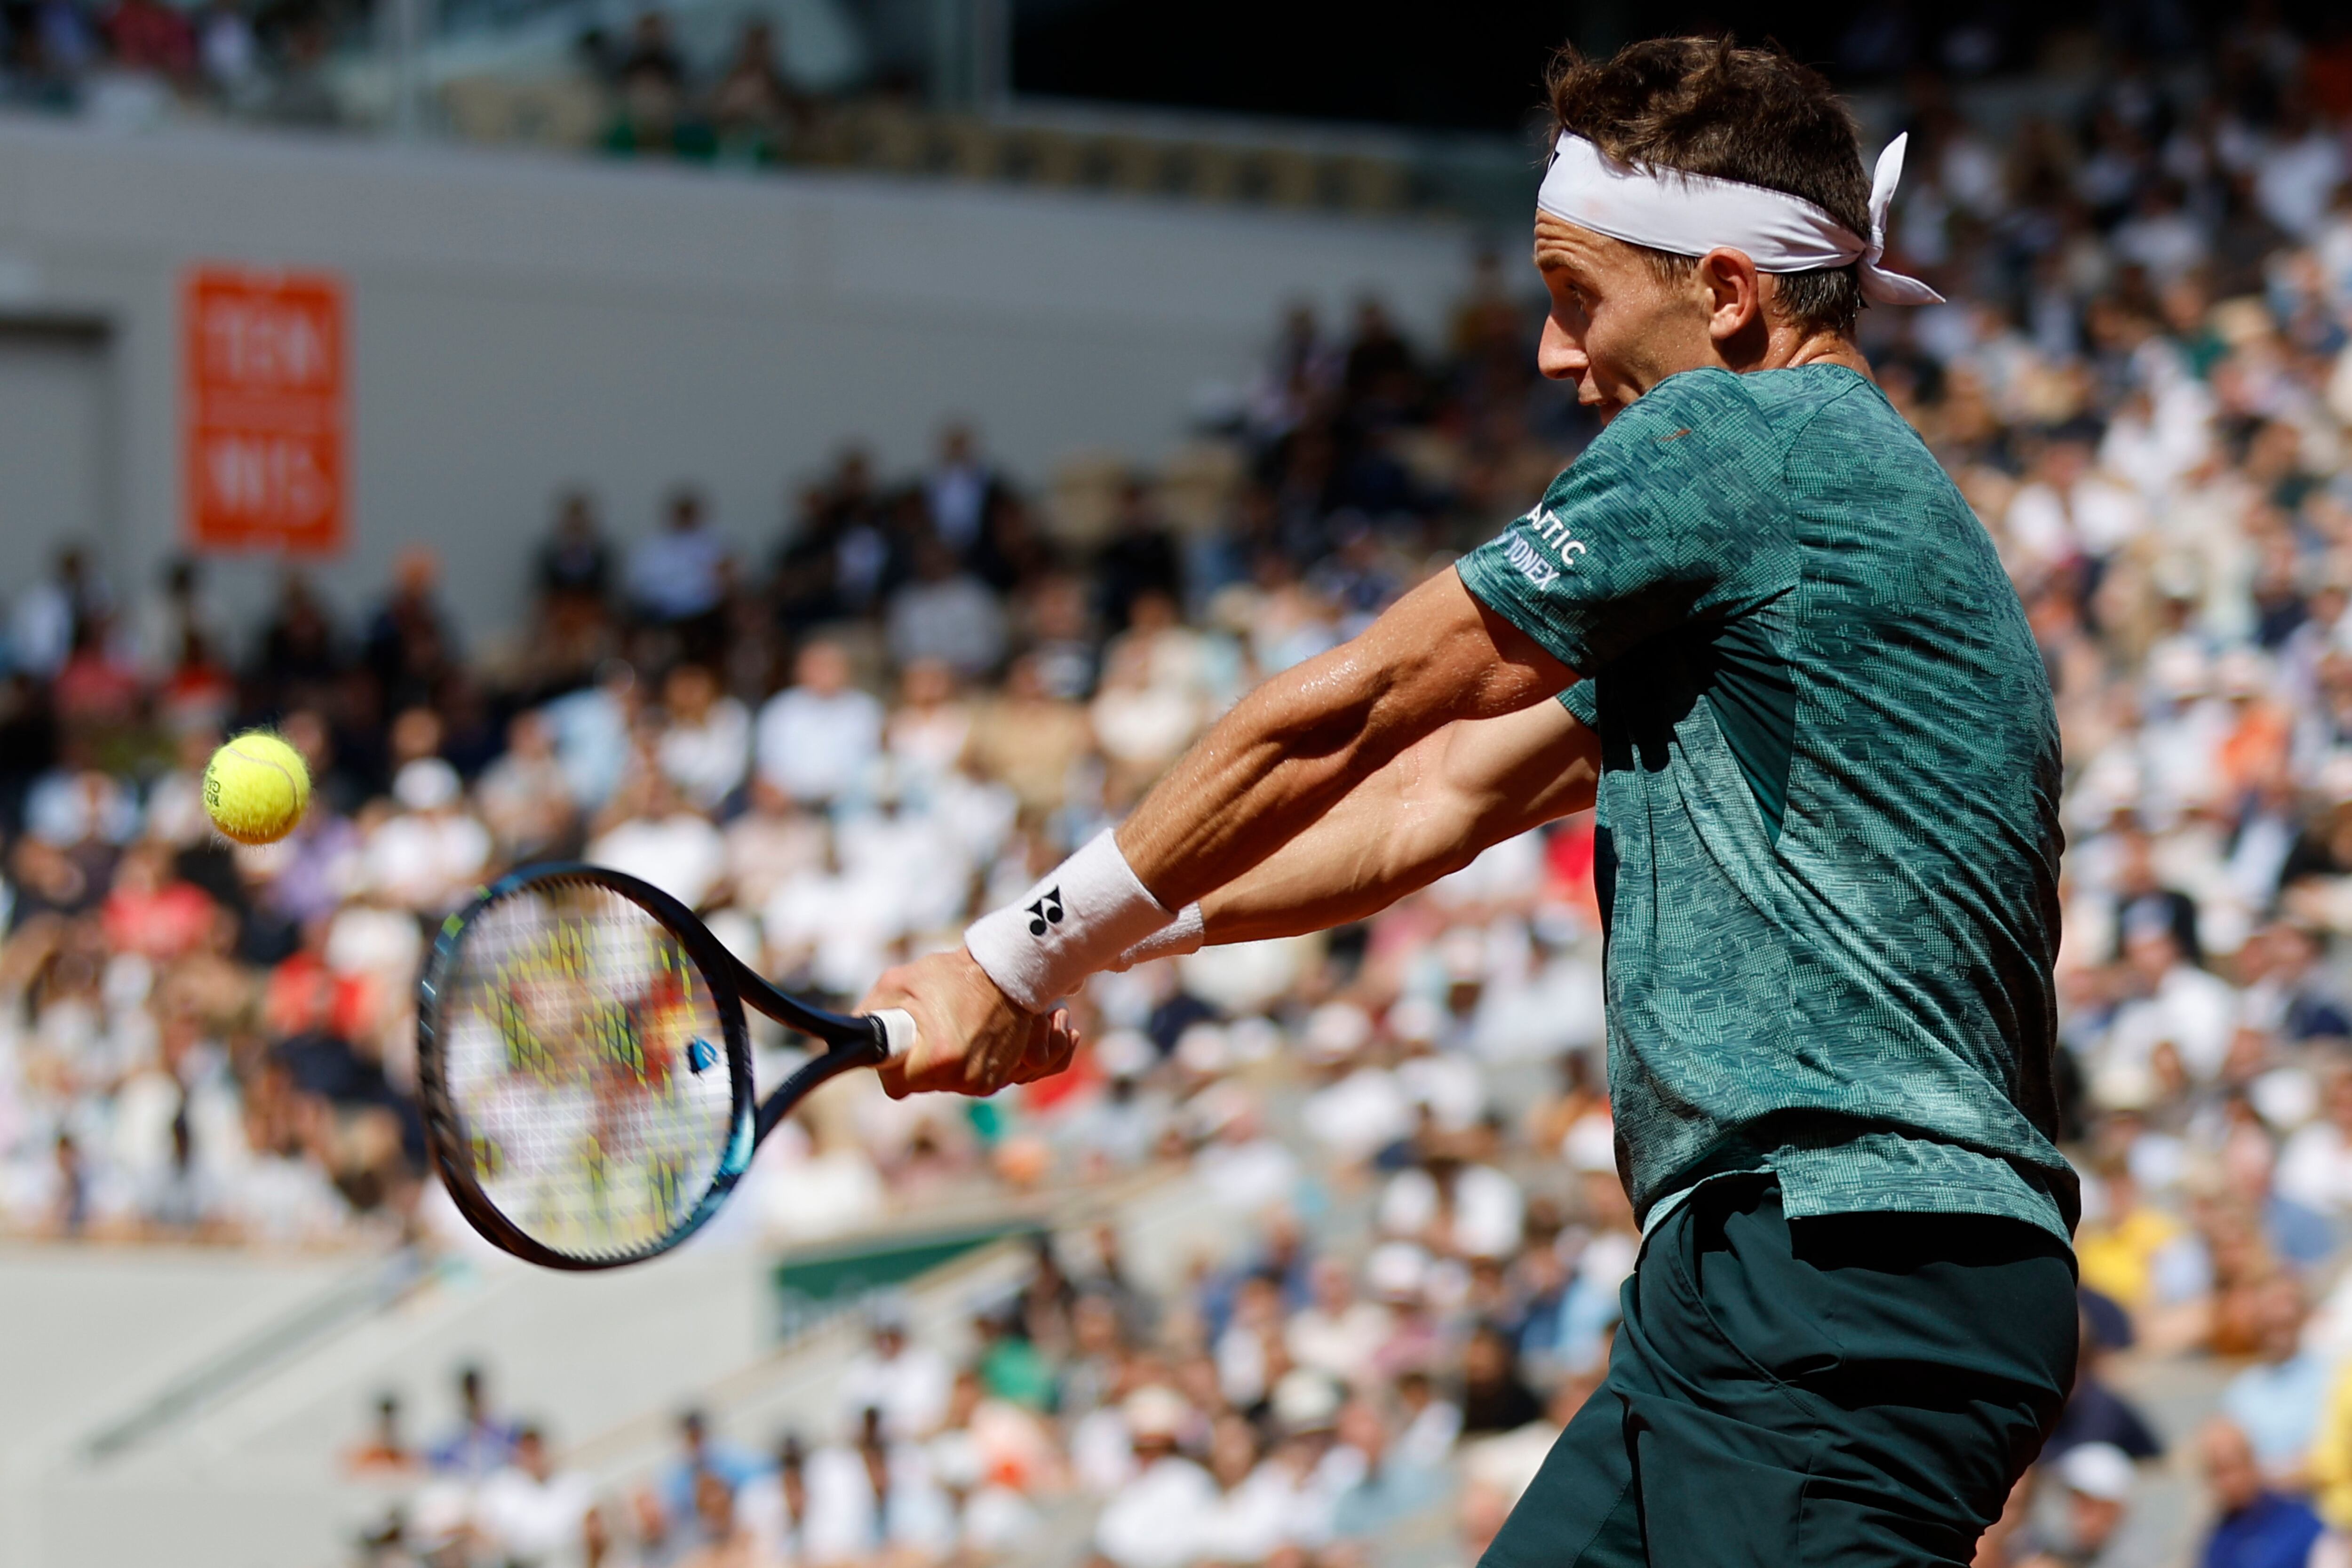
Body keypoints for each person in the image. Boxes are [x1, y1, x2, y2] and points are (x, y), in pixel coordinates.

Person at [863, 37, 2078, 1568]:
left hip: (1839, 1267)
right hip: (1779, 1283)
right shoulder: (1823, 529)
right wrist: (1098, 953)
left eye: (1578, 296)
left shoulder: (1743, 442)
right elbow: (1431, 802)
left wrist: (1015, 954)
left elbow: (1358, 708)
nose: (1557, 360)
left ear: (1726, 295)